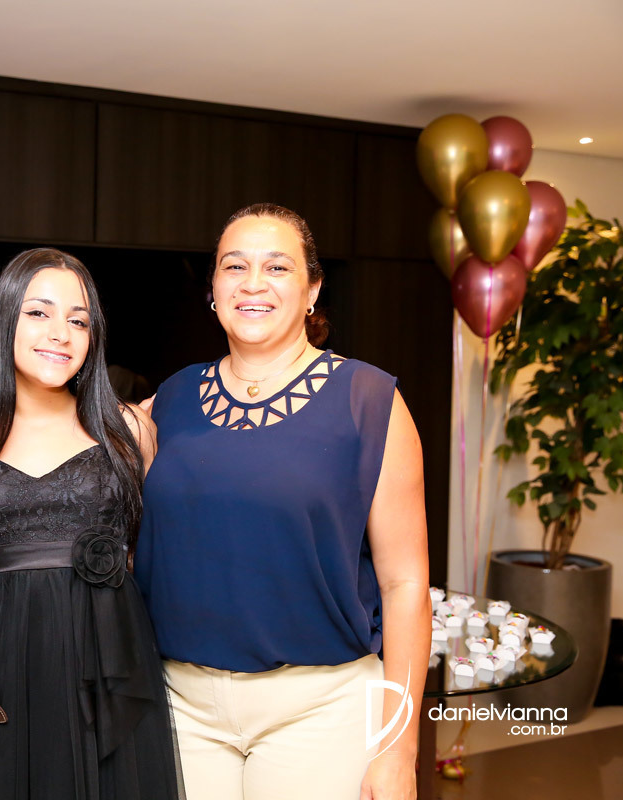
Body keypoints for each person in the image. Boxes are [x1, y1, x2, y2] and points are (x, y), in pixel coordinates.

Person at [134, 203, 430, 800]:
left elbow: (405, 586)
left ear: (312, 289)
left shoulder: (369, 401)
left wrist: (399, 749)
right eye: (234, 266)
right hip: (180, 705)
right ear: (214, 289)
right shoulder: (171, 398)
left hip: (321, 709)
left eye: (277, 267)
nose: (253, 283)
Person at [0, 248, 183, 800]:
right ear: (5, 319)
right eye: (39, 313)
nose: (61, 334)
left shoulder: (128, 430)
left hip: (104, 663)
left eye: (79, 321)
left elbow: (158, 552)